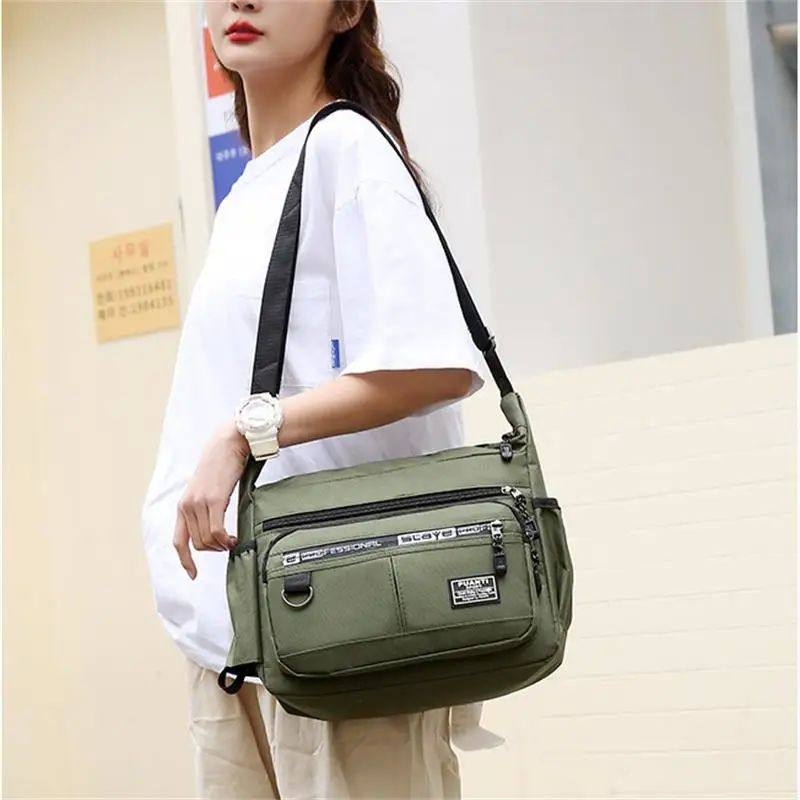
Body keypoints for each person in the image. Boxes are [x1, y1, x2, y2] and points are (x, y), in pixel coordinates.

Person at [141, 1, 502, 797]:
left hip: (341, 630)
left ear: (346, 10)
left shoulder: (347, 148)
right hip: (237, 638)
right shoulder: (250, 192)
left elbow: (433, 366)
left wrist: (246, 433)